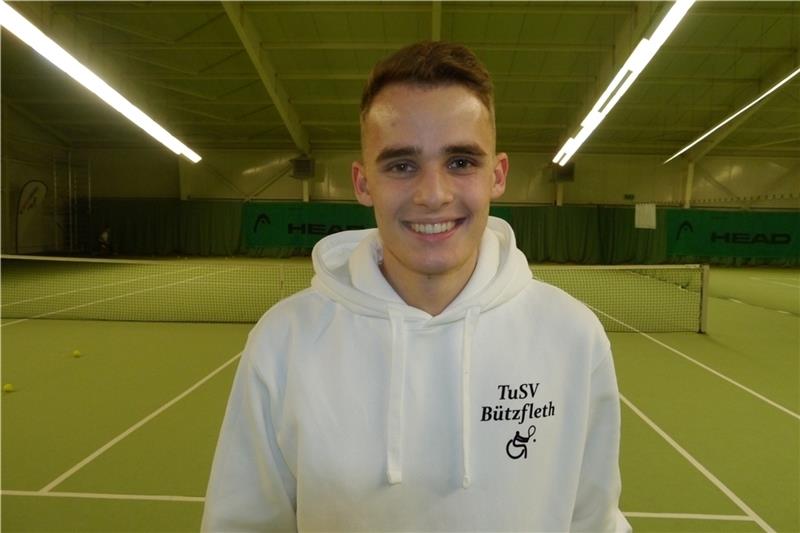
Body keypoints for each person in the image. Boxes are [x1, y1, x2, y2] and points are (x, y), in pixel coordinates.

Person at [202, 41, 630, 532]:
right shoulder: (283, 342)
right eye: (402, 165)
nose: (433, 195)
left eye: (461, 162)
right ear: (363, 184)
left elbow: (594, 521)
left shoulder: (573, 336)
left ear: (498, 175)